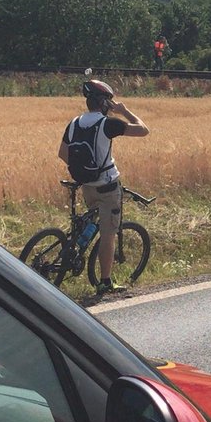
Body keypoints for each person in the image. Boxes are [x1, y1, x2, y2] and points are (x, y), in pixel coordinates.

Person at [58, 80, 149, 294]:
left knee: (91, 218)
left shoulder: (74, 123)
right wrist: (125, 111)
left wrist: (84, 170)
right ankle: (105, 282)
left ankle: (76, 248)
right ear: (104, 102)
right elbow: (143, 130)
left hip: (86, 185)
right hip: (107, 186)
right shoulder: (108, 123)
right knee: (108, 233)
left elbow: (63, 153)